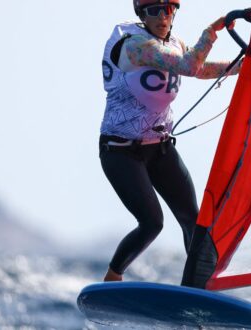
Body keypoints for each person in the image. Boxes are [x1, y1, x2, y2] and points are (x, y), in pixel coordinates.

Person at [98, 0, 241, 282]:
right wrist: (212, 31)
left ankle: (196, 290)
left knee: (194, 221)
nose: (162, 17)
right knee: (152, 223)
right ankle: (113, 277)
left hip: (159, 149)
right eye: (153, 11)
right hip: (120, 152)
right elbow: (189, 66)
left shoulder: (174, 43)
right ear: (141, 13)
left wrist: (243, 66)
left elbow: (200, 68)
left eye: (168, 10)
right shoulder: (134, 46)